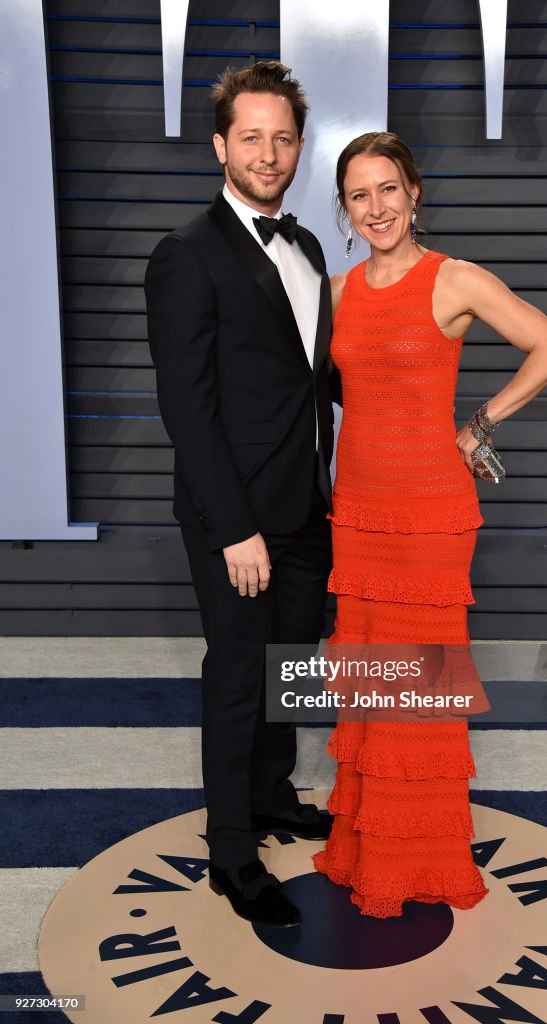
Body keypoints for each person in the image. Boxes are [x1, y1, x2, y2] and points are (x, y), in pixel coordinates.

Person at [313, 132, 547, 918]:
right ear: (345, 209)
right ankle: (363, 847)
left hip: (429, 517)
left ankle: (416, 860)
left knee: (418, 692)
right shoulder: (337, 290)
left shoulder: (453, 278)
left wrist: (481, 422)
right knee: (369, 682)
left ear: (414, 192)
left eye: (388, 189)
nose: (377, 207)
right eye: (359, 195)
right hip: (357, 511)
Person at [144, 61, 335, 929]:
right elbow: (188, 406)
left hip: (308, 501)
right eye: (251, 136)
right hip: (236, 516)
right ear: (221, 145)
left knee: (290, 665)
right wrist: (234, 529)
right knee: (236, 674)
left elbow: (314, 379)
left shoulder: (309, 247)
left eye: (283, 137)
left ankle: (271, 793)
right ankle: (231, 850)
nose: (268, 152)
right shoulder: (186, 254)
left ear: (299, 147)